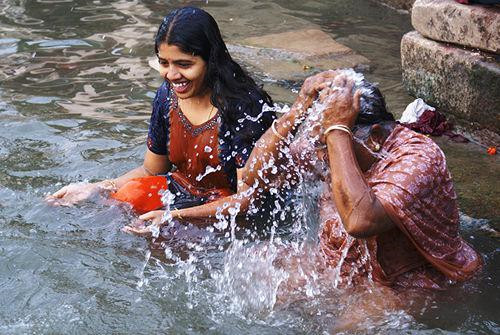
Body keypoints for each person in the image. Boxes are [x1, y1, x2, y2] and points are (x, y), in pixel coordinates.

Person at [128, 69, 482, 289]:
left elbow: (360, 220)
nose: (315, 154)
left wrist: (337, 129)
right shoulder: (322, 143)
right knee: (250, 267)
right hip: (337, 265)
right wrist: (298, 109)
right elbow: (253, 177)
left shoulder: (416, 157)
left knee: (346, 329)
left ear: (371, 136)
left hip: (407, 282)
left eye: (325, 143)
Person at [46, 7, 275, 215]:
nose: (172, 75)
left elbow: (249, 199)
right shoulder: (166, 97)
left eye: (184, 65)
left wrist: (172, 216)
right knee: (123, 202)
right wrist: (96, 188)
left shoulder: (245, 106)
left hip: (230, 208)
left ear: (211, 60)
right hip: (184, 190)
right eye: (164, 63)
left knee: (165, 236)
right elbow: (150, 170)